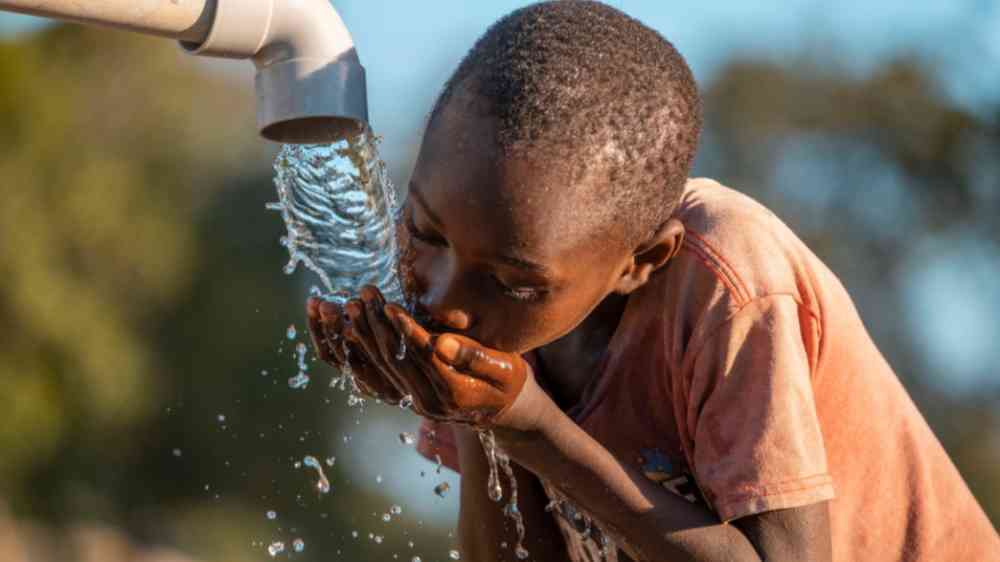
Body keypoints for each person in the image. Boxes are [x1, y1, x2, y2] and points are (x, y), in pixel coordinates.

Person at [306, 2, 1000, 560]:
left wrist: (532, 427)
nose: (448, 302)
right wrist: (484, 420)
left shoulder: (729, 281)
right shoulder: (508, 315)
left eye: (514, 285)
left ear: (642, 261)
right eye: (425, 232)